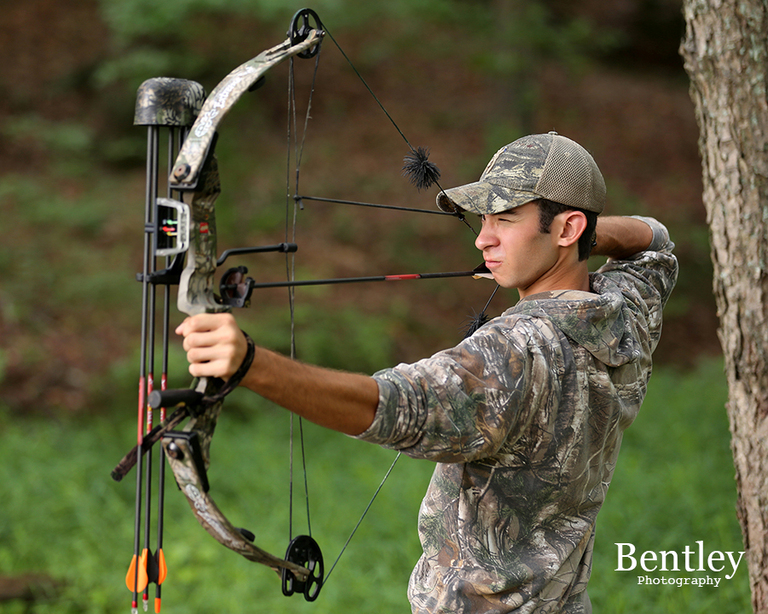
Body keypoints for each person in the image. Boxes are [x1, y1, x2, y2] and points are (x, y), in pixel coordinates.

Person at [175, 132, 678, 613]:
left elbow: (393, 405)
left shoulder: (514, 353)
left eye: (504, 218)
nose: (482, 238)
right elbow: (655, 239)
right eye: (483, 219)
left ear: (566, 227)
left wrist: (250, 364)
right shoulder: (625, 312)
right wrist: (571, 241)